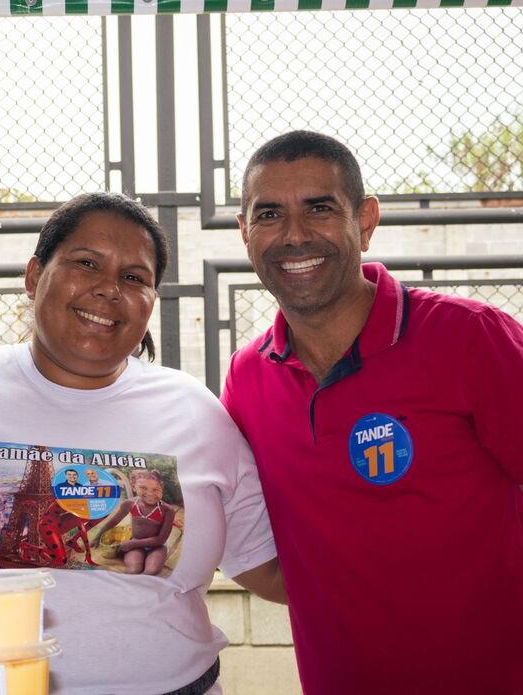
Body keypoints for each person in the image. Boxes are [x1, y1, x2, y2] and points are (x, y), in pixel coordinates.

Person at [0, 192, 284, 695]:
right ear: (34, 277)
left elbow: (267, 568)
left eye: (134, 277)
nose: (108, 289)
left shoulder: (196, 411)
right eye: (86, 263)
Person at [221, 130, 523, 694]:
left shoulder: (470, 339)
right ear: (244, 232)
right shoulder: (246, 378)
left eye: (319, 208)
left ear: (364, 220)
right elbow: (245, 538)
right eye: (269, 214)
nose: (294, 234)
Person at [91, 468, 176, 575]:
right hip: (135, 543)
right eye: (143, 488)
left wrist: (132, 543)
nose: (150, 493)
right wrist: (98, 537)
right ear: (133, 487)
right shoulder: (130, 504)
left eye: (155, 489)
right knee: (134, 570)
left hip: (157, 547)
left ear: (161, 488)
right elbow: (114, 521)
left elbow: (161, 539)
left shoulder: (167, 510)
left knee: (151, 571)